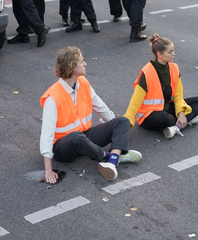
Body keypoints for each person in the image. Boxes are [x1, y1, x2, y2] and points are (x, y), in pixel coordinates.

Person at [39, 47, 142, 183]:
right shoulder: (53, 97)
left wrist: (116, 130)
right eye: (82, 62)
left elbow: (100, 106)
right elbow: (47, 134)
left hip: (84, 137)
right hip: (63, 147)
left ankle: (113, 161)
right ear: (71, 67)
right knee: (77, 137)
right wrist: (48, 170)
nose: (85, 64)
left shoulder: (83, 83)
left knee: (122, 121)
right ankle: (107, 157)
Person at [123, 35, 198, 139]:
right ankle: (183, 122)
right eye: (170, 52)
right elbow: (136, 100)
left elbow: (178, 94)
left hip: (166, 108)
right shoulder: (147, 72)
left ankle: (176, 126)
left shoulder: (174, 68)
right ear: (159, 54)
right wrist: (128, 119)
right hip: (149, 115)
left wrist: (180, 113)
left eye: (173, 51)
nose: (173, 54)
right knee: (164, 118)